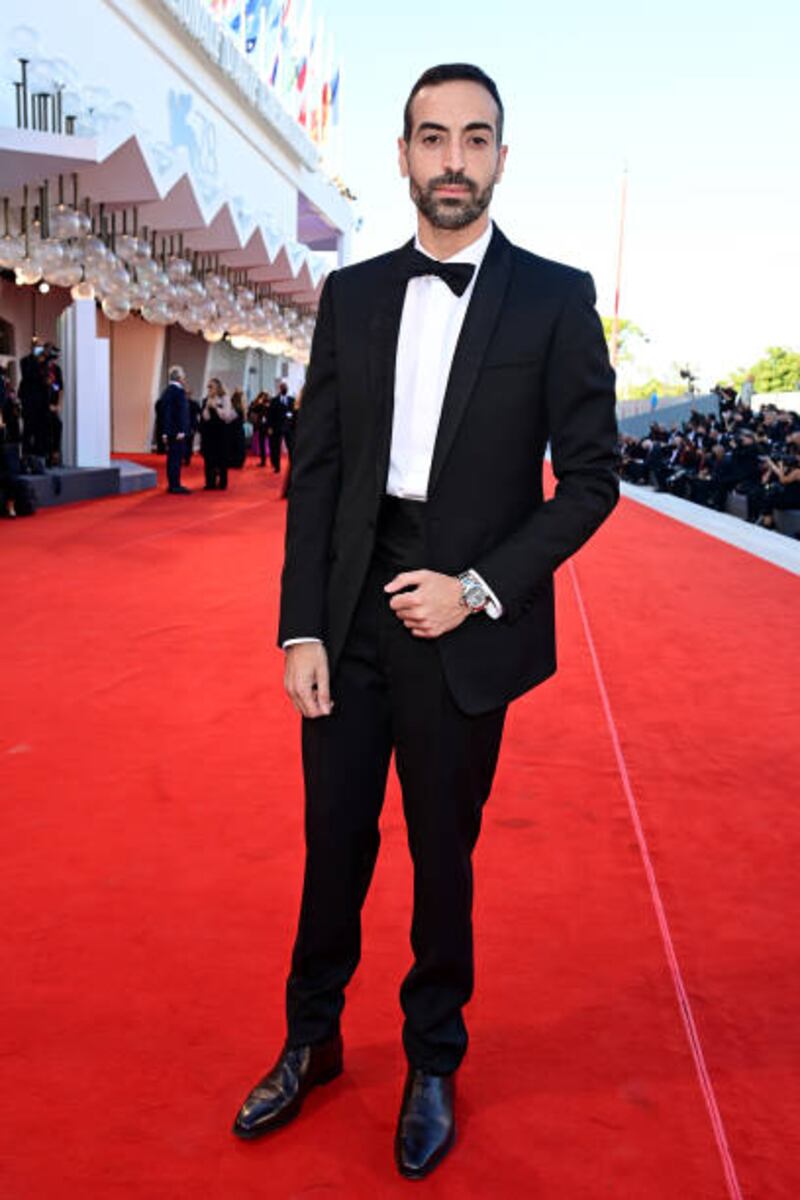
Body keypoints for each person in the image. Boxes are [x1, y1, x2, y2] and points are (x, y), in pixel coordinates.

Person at [232, 64, 619, 1180]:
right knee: (331, 845)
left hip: (465, 619)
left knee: (442, 856)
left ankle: (431, 1059)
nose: (452, 159)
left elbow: (589, 480)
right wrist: (299, 627)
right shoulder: (350, 296)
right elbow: (316, 473)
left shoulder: (554, 296)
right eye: (431, 138)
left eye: (475, 139)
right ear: (401, 155)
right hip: (348, 612)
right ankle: (311, 1042)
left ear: (500, 157)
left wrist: (480, 587)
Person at [158, 365, 191, 493]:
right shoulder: (179, 391)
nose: (184, 379)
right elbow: (181, 413)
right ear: (179, 377)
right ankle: (175, 485)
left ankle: (173, 484)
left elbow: (165, 413)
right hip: (177, 432)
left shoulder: (167, 391)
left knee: (172, 458)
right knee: (176, 459)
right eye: (183, 376)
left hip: (170, 431)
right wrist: (182, 430)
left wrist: (165, 432)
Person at [200, 378, 236, 490]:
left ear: (217, 387)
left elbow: (226, 415)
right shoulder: (207, 399)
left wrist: (216, 408)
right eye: (208, 387)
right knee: (209, 458)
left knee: (222, 458)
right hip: (210, 432)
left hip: (221, 432)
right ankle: (210, 482)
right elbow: (205, 417)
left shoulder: (225, 398)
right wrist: (207, 407)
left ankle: (222, 482)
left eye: (211, 386)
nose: (209, 389)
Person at [266, 381, 294, 473]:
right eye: (283, 387)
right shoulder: (274, 400)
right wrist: (269, 427)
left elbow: (295, 413)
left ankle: (292, 465)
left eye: (285, 387)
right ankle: (277, 466)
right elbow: (269, 415)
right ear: (280, 389)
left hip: (289, 428)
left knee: (291, 447)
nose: (284, 389)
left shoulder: (291, 400)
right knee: (276, 448)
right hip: (277, 427)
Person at [248, 392, 271, 466]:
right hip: (261, 426)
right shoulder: (259, 405)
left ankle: (270, 460)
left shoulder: (268, 405)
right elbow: (252, 410)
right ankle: (263, 460)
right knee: (262, 443)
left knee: (270, 444)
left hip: (267, 426)